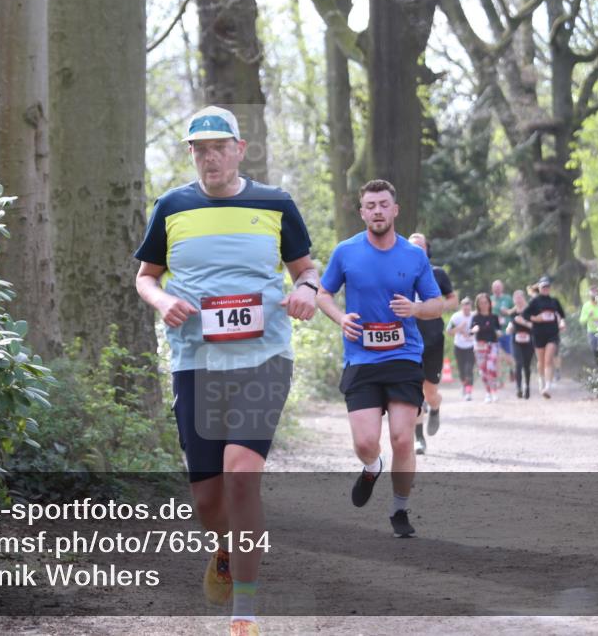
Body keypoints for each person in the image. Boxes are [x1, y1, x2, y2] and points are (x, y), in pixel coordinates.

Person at [134, 106, 318, 636]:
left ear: (240, 148)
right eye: (200, 148)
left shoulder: (275, 203)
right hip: (196, 361)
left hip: (264, 358)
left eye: (220, 146)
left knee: (243, 475)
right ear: (190, 153)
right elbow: (145, 278)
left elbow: (306, 268)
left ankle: (245, 612)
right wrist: (161, 299)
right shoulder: (171, 207)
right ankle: (222, 546)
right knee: (208, 500)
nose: (210, 156)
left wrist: (305, 290)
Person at [316, 179, 443, 538]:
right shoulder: (346, 251)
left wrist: (416, 307)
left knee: (403, 438)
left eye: (383, 204)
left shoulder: (414, 256)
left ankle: (399, 509)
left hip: (403, 355)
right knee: (365, 442)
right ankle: (372, 467)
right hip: (362, 358)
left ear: (395, 210)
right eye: (370, 205)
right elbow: (323, 293)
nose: (377, 211)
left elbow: (436, 306)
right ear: (362, 212)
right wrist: (341, 318)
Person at [408, 233, 458, 455]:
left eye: (421, 246)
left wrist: (436, 307)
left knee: (430, 392)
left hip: (433, 337)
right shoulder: (401, 273)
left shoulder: (437, 273)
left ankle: (435, 407)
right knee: (415, 390)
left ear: (427, 249)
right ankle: (419, 438)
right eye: (413, 247)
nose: (418, 250)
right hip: (409, 338)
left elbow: (453, 300)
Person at [524, 275, 566, 398]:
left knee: (548, 359)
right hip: (538, 334)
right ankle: (541, 380)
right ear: (540, 288)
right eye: (543, 287)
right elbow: (525, 314)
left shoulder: (554, 301)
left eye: (547, 286)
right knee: (541, 361)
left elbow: (561, 315)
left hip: (552, 334)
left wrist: (562, 322)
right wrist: (535, 318)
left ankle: (548, 386)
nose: (546, 289)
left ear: (550, 288)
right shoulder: (535, 301)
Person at [470, 293, 503, 402]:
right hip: (480, 346)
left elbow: (498, 329)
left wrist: (499, 332)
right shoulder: (475, 317)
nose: (484, 305)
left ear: (489, 303)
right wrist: (474, 329)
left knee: (490, 367)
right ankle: (488, 392)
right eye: (481, 303)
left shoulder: (494, 317)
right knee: (483, 371)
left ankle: (494, 391)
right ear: (478, 305)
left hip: (492, 345)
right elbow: (471, 329)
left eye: (485, 302)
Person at [447, 297, 476, 401]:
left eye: (468, 307)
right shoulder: (456, 317)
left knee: (469, 369)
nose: (466, 309)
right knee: (461, 370)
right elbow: (449, 331)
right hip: (458, 346)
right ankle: (464, 385)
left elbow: (478, 329)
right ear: (461, 307)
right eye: (464, 307)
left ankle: (468, 392)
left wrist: (471, 334)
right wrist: (459, 328)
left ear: (471, 307)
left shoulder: (474, 316)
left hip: (471, 346)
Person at [507, 289, 535, 399]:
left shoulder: (530, 311)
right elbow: (510, 325)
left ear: (524, 299)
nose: (518, 300)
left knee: (526, 365)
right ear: (514, 300)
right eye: (516, 298)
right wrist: (509, 328)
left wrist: (524, 322)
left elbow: (535, 326)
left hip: (529, 341)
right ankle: (518, 388)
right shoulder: (512, 313)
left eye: (520, 298)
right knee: (518, 363)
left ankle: (527, 386)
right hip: (516, 341)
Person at [491, 280, 515, 386]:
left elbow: (515, 310)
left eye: (498, 287)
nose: (496, 289)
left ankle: (512, 370)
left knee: (509, 357)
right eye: (495, 287)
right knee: (497, 356)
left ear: (502, 288)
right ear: (492, 289)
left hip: (506, 330)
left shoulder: (508, 298)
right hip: (494, 332)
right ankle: (499, 380)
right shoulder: (490, 299)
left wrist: (508, 312)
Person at [579, 283, 598, 362]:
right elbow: (582, 321)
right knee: (594, 350)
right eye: (592, 292)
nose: (594, 293)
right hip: (592, 332)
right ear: (590, 295)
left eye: (596, 291)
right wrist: (588, 316)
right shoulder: (586, 306)